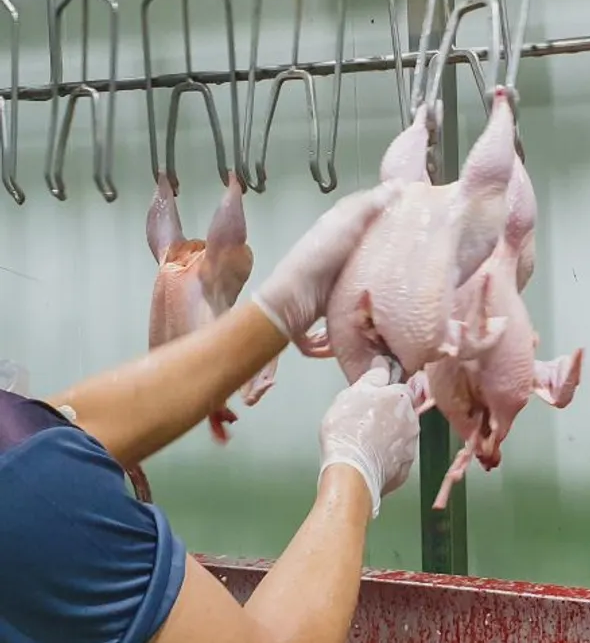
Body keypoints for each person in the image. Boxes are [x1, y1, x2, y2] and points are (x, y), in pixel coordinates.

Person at [0, 181, 422, 643]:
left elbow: (52, 432)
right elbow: (38, 469)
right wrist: (353, 472)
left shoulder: (28, 468)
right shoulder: (34, 498)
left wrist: (280, 311)